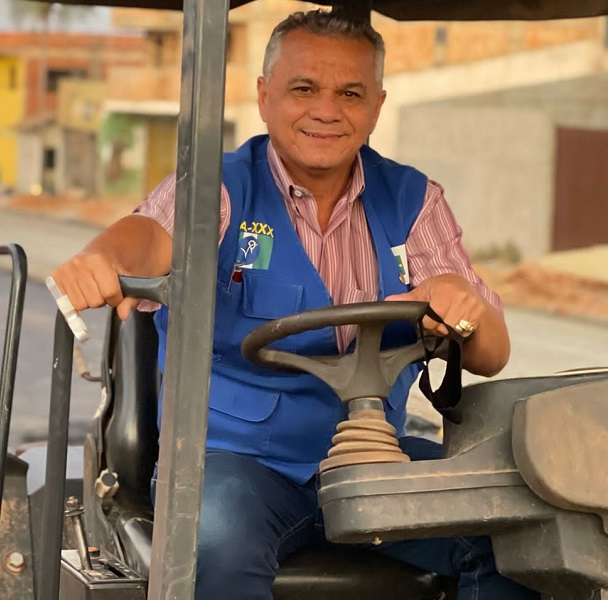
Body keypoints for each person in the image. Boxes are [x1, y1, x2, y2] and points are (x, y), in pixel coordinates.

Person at [49, 10, 536, 600]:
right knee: (216, 542)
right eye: (303, 88)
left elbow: (492, 354)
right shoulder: (217, 187)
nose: (326, 110)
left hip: (373, 456)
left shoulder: (413, 202)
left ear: (377, 104)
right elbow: (148, 236)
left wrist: (465, 308)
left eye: (350, 93)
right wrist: (102, 258)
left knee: (519, 534)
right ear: (263, 95)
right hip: (234, 466)